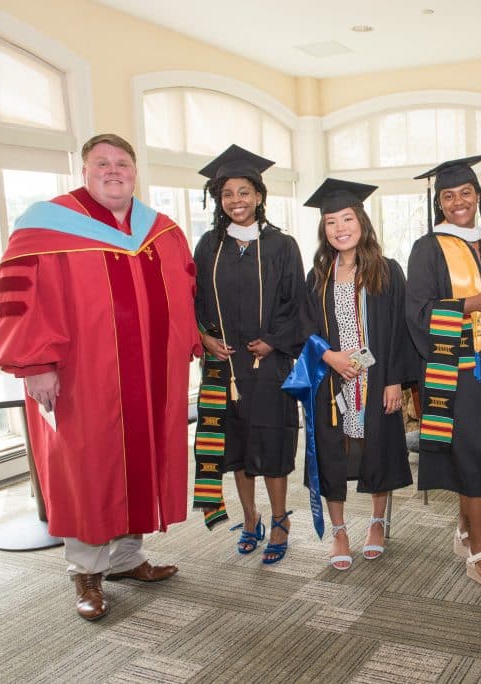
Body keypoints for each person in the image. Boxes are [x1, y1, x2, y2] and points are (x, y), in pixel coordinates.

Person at [0, 133, 200, 620]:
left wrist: (186, 340)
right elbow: (21, 301)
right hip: (81, 377)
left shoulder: (160, 230)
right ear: (84, 170)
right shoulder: (44, 227)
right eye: (101, 163)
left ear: (135, 171)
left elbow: (183, 291)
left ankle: (127, 558)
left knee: (139, 460)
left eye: (122, 163)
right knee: (89, 467)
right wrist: (36, 364)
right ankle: (85, 570)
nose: (113, 170)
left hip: (148, 377)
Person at [405, 154, 481, 593]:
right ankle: (480, 553)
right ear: (440, 203)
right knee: (472, 453)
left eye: (465, 193)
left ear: (478, 195)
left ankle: (463, 530)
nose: (458, 202)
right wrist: (470, 304)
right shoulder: (428, 248)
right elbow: (417, 312)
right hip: (458, 366)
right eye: (448, 196)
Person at [193, 144, 305, 565]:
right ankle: (250, 516)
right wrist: (205, 339)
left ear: (259, 195)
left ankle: (279, 519)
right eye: (227, 194)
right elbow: (195, 301)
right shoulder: (209, 246)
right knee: (236, 446)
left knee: (272, 443)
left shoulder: (282, 245)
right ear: (219, 201)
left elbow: (298, 305)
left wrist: (276, 340)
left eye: (244, 192)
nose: (236, 201)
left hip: (269, 364)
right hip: (224, 365)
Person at [301, 178, 415, 569]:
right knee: (332, 452)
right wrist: (329, 356)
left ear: (362, 222)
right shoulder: (318, 276)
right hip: (332, 380)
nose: (340, 228)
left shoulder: (387, 271)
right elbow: (305, 329)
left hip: (376, 378)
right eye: (331, 222)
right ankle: (338, 530)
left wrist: (395, 379)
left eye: (346, 218)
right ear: (323, 230)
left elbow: (401, 330)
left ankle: (378, 521)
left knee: (376, 449)